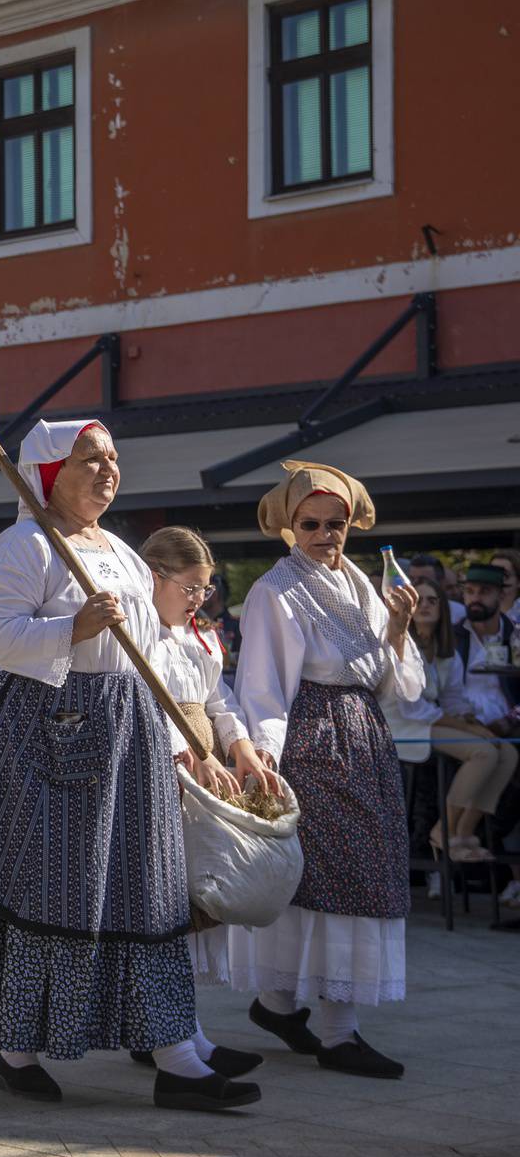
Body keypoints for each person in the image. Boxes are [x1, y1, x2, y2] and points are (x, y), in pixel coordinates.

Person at [0, 421, 258, 1113]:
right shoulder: (21, 547)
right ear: (51, 471)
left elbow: (151, 646)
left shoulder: (120, 551)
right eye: (91, 459)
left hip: (127, 733)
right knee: (47, 889)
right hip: (45, 735)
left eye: (114, 458)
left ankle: (174, 1047)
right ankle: (21, 1049)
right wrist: (74, 629)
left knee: (140, 888)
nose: (107, 470)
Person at [232, 460, 420, 1080]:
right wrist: (266, 762)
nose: (324, 534)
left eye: (335, 524)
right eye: (310, 523)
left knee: (355, 874)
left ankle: (277, 1005)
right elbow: (261, 684)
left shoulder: (363, 586)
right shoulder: (275, 589)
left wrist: (396, 627)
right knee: (331, 877)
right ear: (289, 526)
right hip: (314, 740)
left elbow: (399, 689)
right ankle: (339, 1033)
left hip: (364, 737)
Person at [137, 525, 276, 1079]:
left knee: (196, 901)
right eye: (189, 587)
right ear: (155, 578)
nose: (198, 599)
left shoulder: (200, 636)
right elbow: (146, 702)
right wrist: (190, 753)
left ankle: (186, 1036)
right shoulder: (139, 636)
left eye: (204, 589)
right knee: (171, 900)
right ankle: (173, 1040)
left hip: (204, 768)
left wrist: (239, 746)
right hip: (162, 768)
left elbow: (218, 698)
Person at [395, 578, 511, 863]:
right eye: (418, 599)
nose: (424, 606)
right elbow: (414, 707)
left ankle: (463, 832)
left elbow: (454, 700)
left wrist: (475, 722)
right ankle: (442, 831)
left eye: (432, 600)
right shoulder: (401, 645)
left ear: (443, 608)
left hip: (431, 721)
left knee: (506, 752)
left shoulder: (446, 652)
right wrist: (467, 728)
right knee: (482, 752)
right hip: (405, 725)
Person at [452, 563, 519, 736]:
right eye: (470, 591)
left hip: (511, 726)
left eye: (484, 591)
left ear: (501, 595)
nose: (475, 598)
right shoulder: (452, 636)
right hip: (462, 725)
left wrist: (512, 719)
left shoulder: (515, 636)